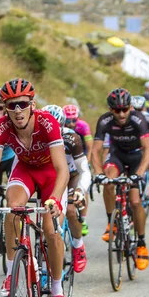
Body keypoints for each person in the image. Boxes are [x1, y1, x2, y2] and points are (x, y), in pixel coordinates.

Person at [0, 78, 70, 297]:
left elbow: (62, 169)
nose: (17, 110)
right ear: (5, 108)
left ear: (32, 104)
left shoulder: (47, 123)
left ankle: (58, 292)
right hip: (25, 170)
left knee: (50, 231)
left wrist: (56, 199)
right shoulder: (1, 128)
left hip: (51, 173)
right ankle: (11, 273)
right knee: (12, 210)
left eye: (22, 104)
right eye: (11, 105)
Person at [91, 88, 149, 271]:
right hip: (117, 155)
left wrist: (140, 172)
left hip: (136, 157)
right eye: (117, 110)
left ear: (130, 107)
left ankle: (141, 243)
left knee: (135, 201)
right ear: (111, 109)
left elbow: (148, 148)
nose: (121, 114)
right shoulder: (104, 121)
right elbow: (95, 150)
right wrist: (98, 172)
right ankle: (112, 223)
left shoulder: (138, 120)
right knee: (108, 182)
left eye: (125, 109)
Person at [43, 104, 89, 274]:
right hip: (52, 179)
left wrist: (80, 190)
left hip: (72, 176)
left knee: (70, 211)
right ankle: (45, 264)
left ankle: (78, 245)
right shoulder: (36, 139)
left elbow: (84, 171)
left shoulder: (72, 139)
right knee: (47, 223)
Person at [63, 104, 93, 236]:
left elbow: (90, 147)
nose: (70, 124)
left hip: (81, 153)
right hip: (67, 155)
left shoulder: (83, 126)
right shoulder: (62, 129)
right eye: (67, 121)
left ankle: (83, 218)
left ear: (78, 119)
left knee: (82, 186)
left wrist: (87, 162)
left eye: (73, 120)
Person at [131, 95, 149, 198]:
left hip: (147, 144)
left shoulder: (148, 118)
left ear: (144, 107)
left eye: (140, 109)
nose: (138, 112)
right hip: (134, 145)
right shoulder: (127, 117)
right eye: (135, 109)